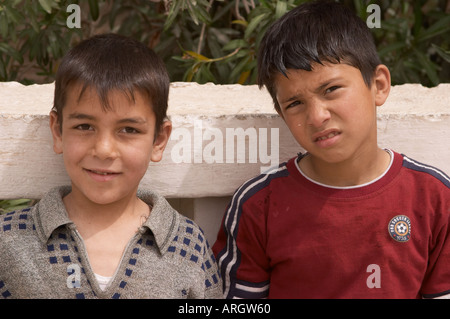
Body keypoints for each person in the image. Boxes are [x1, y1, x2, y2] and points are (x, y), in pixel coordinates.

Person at [212, 0, 450, 299]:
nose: (317, 116)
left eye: (331, 90)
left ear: (378, 85)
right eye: (295, 104)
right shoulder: (259, 205)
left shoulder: (434, 199)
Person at [0, 33, 222, 299]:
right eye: (84, 126)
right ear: (58, 131)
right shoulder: (9, 242)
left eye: (128, 129)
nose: (104, 150)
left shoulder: (186, 244)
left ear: (159, 139)